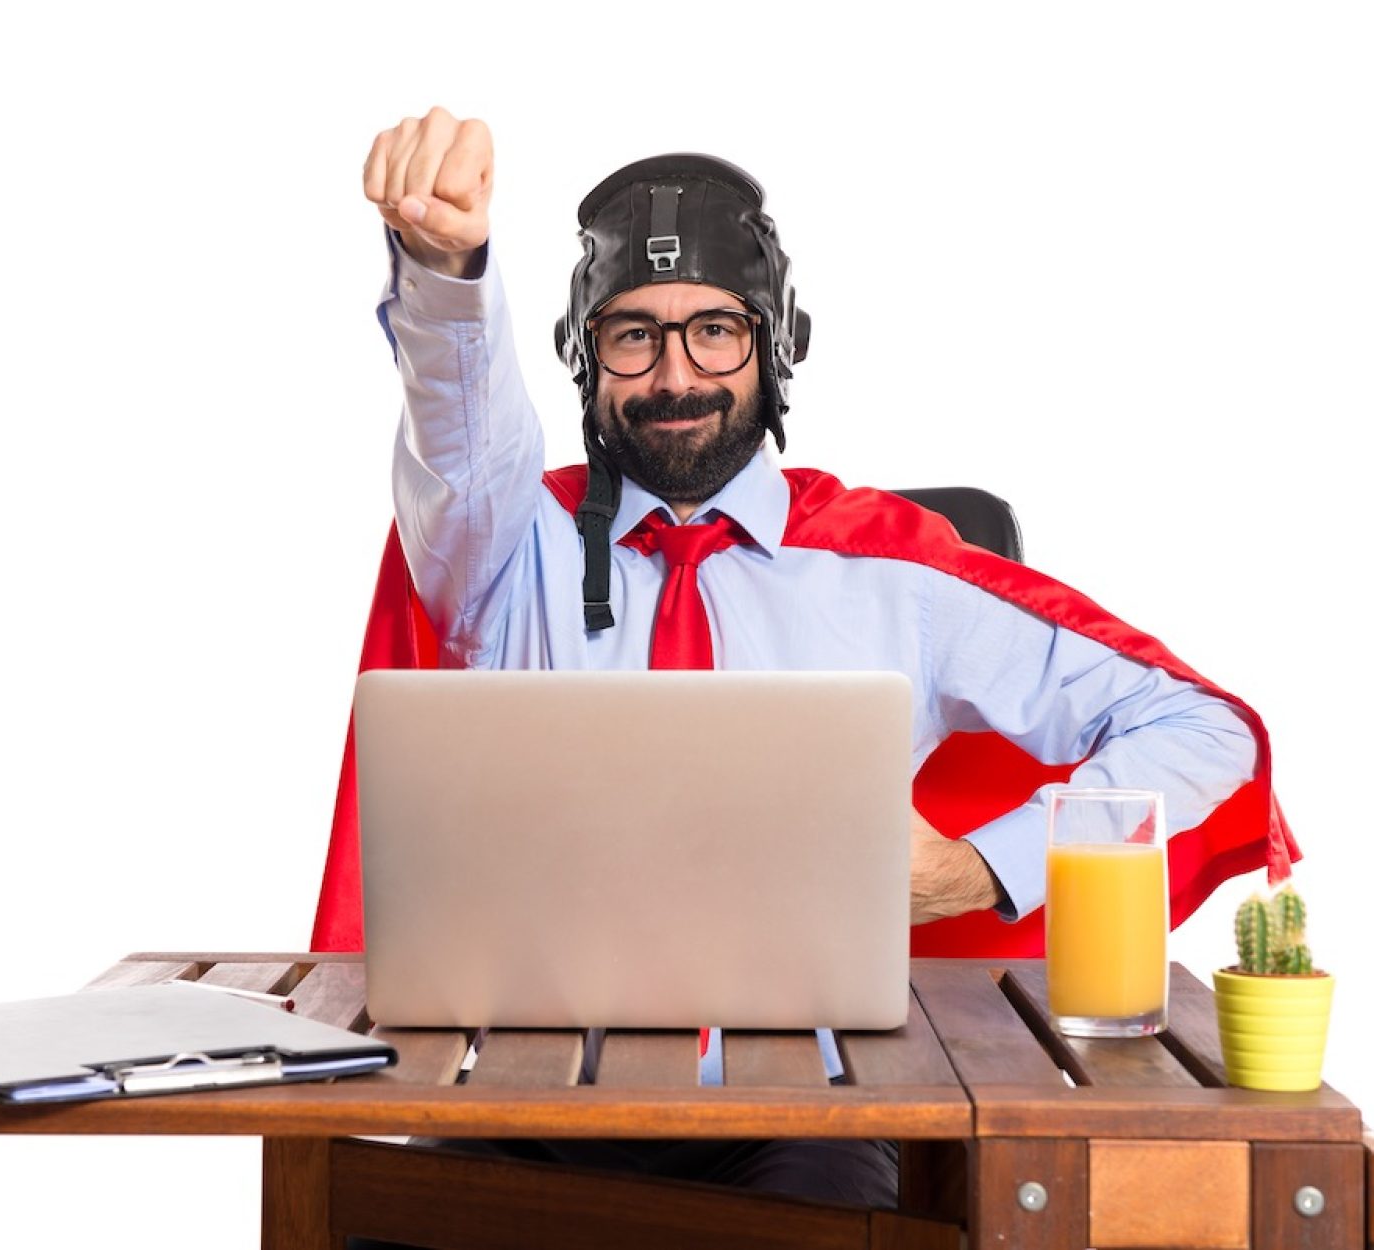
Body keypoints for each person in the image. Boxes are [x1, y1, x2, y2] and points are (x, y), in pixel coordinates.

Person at [327, 106, 1293, 1213]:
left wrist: (984, 867)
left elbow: (1207, 730)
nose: (674, 371)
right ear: (583, 359)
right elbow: (462, 427)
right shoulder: (503, 550)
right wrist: (446, 266)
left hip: (804, 1110)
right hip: (522, 1097)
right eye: (632, 334)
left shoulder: (899, 573)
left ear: (776, 342)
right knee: (353, 1202)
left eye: (715, 330)